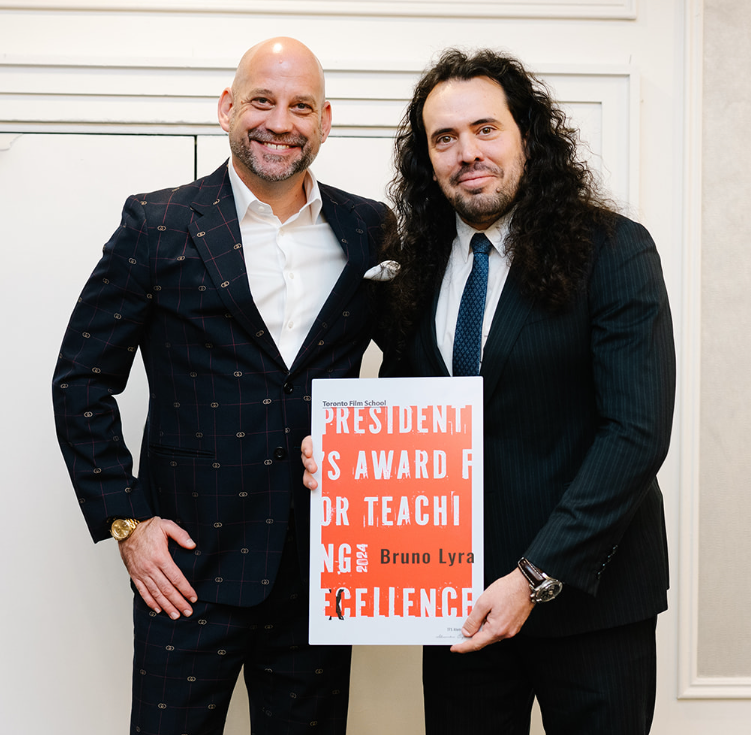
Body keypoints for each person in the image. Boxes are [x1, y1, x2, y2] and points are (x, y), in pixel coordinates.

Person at [303, 48, 675, 734]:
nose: (465, 151)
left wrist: (533, 577)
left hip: (591, 604)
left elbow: (635, 434)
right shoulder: (410, 271)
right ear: (427, 159)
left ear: (525, 137)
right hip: (456, 604)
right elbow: (408, 424)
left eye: (484, 128)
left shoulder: (614, 251)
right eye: (443, 138)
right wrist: (342, 458)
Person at [53, 37, 390, 735]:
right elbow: (81, 377)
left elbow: (414, 365)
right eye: (261, 100)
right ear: (227, 108)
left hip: (322, 571)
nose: (280, 121)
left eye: (301, 106)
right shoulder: (158, 223)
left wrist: (372, 449)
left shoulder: (369, 230)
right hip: (186, 571)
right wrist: (126, 521)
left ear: (325, 121)